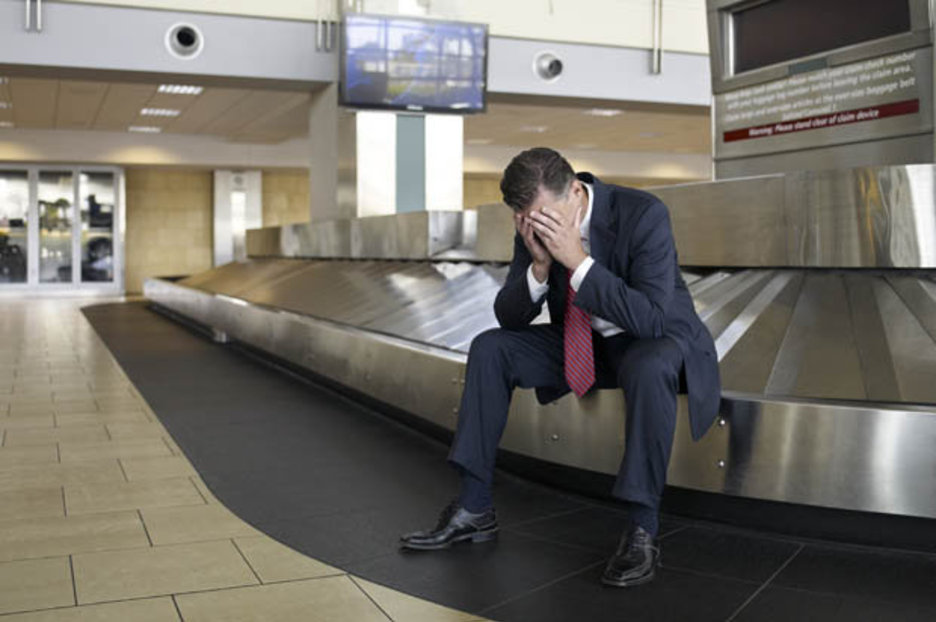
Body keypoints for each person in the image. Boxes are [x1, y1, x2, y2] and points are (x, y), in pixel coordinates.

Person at [400, 147, 721, 587]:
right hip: (584, 340)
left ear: (575, 191)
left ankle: (643, 528)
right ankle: (474, 507)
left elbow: (650, 319)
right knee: (491, 348)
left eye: (545, 216)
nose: (539, 226)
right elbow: (509, 316)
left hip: (654, 340)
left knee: (649, 365)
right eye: (527, 219)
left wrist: (578, 260)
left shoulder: (642, 213)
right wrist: (538, 264)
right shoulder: (533, 226)